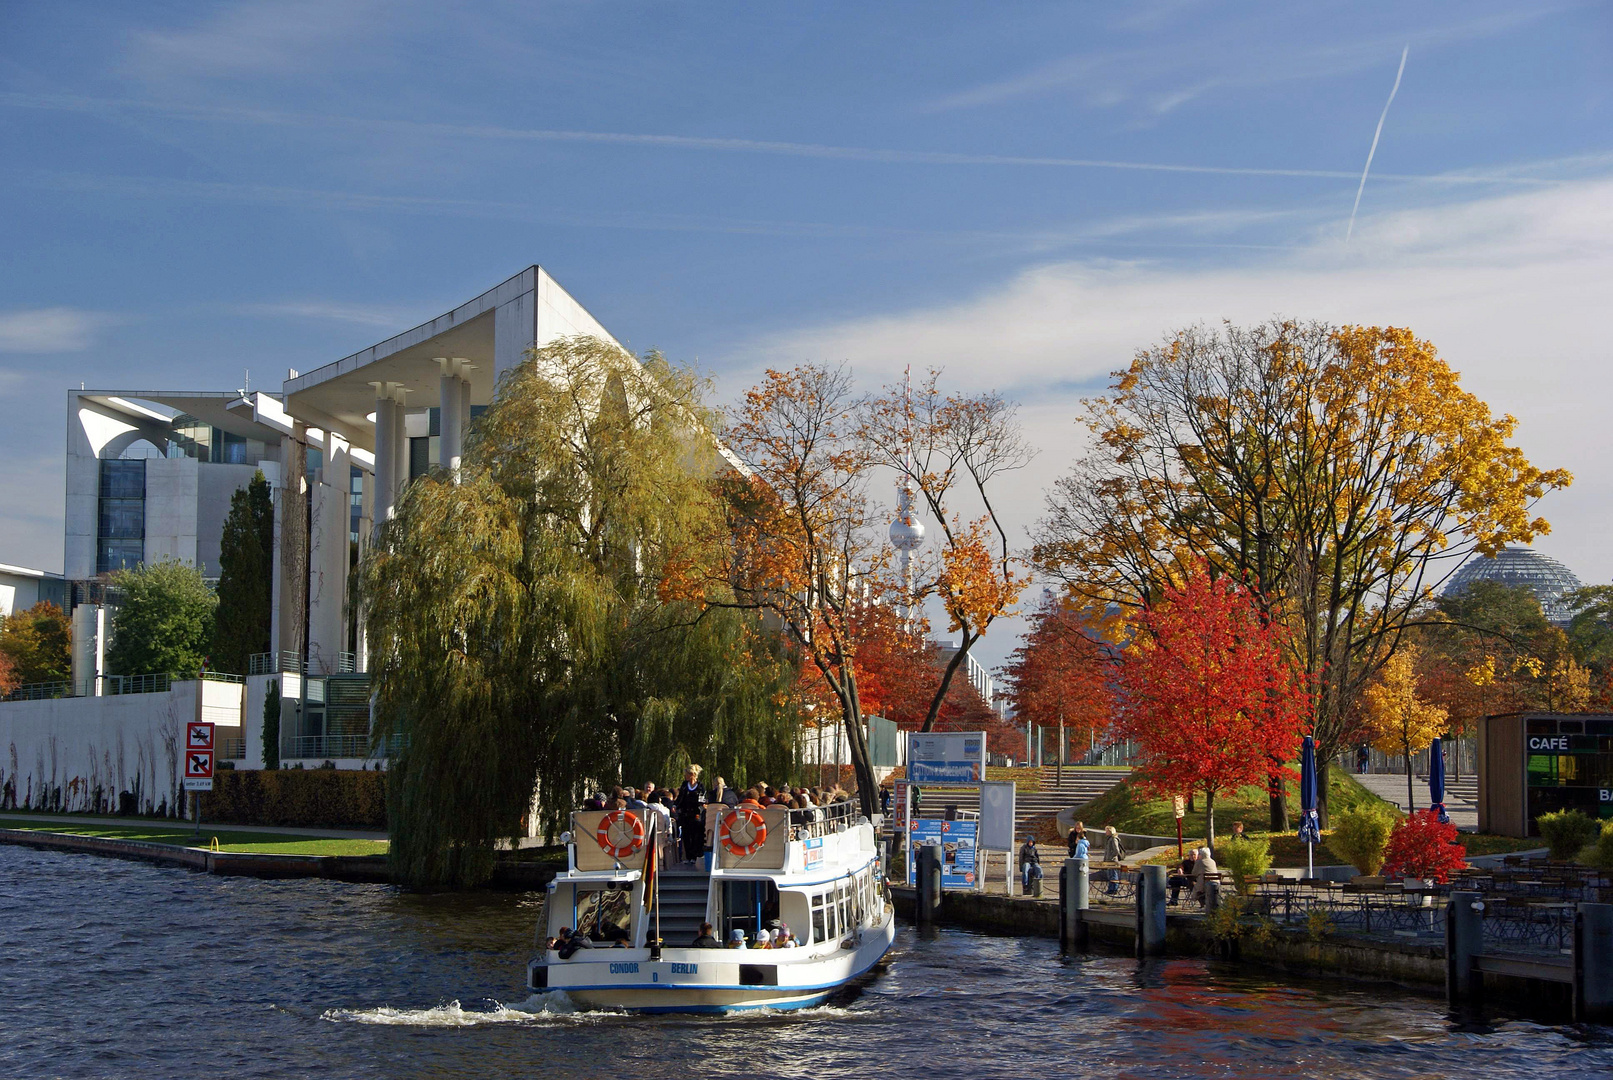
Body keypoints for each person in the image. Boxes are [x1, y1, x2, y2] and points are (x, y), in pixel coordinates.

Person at [1100, 825, 1126, 895]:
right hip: (1108, 860)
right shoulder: (1109, 839)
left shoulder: (1113, 839)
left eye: (1107, 831)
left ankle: (1114, 889)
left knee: (1113, 875)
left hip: (1112, 860)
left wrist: (1111, 857)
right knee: (1110, 875)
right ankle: (1111, 888)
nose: (1106, 832)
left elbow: (1116, 850)